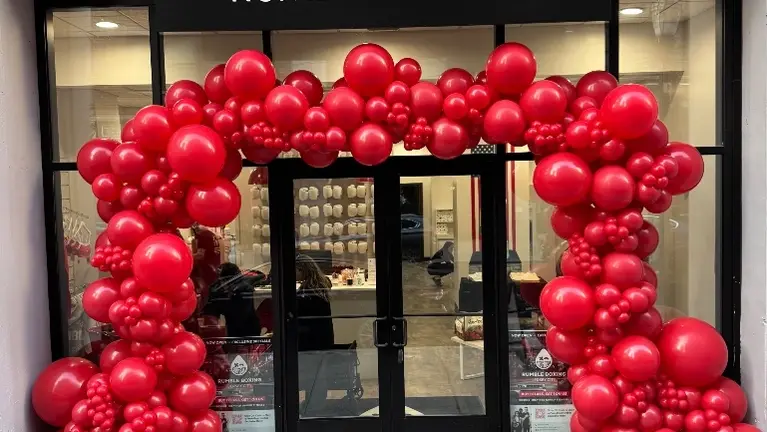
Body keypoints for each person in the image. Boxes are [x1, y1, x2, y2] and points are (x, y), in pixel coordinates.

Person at [295, 254, 334, 416]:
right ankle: (316, 403)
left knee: (312, 374)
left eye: (296, 270)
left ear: (302, 270)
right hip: (323, 335)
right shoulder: (321, 284)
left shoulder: (307, 291)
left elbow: (301, 314)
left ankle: (313, 406)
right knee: (319, 373)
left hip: (311, 337)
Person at [202, 263, 261, 338]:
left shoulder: (242, 288)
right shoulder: (241, 283)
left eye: (223, 280)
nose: (222, 283)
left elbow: (239, 313)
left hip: (244, 328)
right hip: (241, 326)